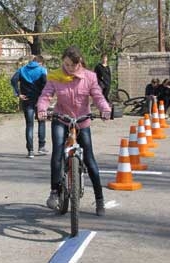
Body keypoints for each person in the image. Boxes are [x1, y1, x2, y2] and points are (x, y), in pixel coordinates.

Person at [37, 46, 111, 216]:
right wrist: (42, 108)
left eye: (73, 65)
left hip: (82, 120)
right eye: (66, 64)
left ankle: (99, 199)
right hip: (61, 118)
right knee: (57, 153)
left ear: (80, 63)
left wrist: (105, 109)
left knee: (90, 159)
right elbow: (46, 95)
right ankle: (54, 192)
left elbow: (98, 96)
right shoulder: (56, 76)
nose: (69, 68)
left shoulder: (90, 77)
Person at [11, 55, 48, 158]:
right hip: (39, 100)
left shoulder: (22, 70)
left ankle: (30, 151)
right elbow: (46, 83)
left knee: (29, 125)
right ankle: (41, 147)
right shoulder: (42, 70)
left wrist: (18, 93)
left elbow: (13, 80)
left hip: (27, 100)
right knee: (41, 122)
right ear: (41, 62)